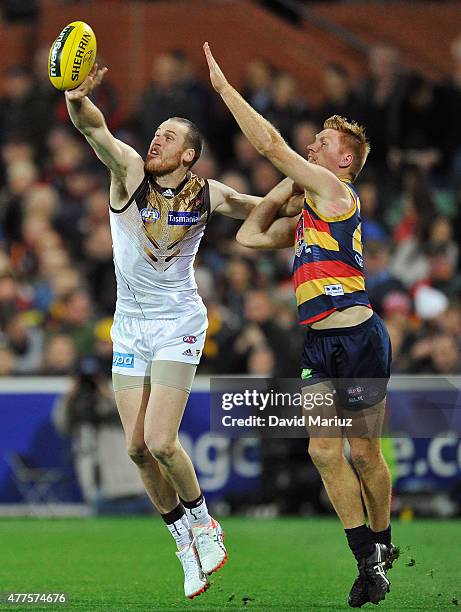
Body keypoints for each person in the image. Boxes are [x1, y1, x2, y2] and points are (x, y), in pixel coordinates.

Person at [204, 43, 398, 608]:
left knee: (364, 454)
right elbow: (249, 233)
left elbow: (268, 143)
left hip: (359, 337)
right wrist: (285, 189)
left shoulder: (338, 192)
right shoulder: (309, 211)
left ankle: (383, 542)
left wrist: (224, 90)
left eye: (322, 144)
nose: (310, 146)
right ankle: (367, 560)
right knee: (322, 451)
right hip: (320, 340)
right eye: (310, 143)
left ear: (342, 162)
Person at [65, 63, 261, 600]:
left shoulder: (208, 194)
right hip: (129, 327)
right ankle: (183, 543)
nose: (156, 141)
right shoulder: (128, 173)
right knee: (135, 449)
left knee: (161, 441)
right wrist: (77, 98)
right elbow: (93, 129)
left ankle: (203, 524)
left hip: (178, 322)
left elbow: (260, 209)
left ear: (189, 155)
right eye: (156, 134)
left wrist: (310, 197)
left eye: (169, 138)